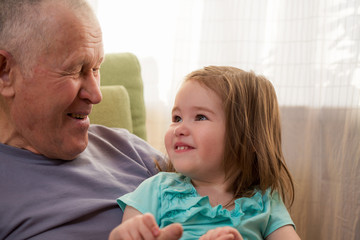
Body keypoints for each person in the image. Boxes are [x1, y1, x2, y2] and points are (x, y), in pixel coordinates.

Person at [0, 0, 182, 239]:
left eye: (96, 69)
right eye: (75, 69)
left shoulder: (127, 147)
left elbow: (225, 196)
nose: (97, 95)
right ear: (5, 71)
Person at [109, 66, 302, 240]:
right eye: (177, 117)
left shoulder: (265, 202)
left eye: (200, 117)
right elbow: (127, 234)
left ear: (249, 138)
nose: (179, 129)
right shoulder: (156, 190)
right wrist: (123, 235)